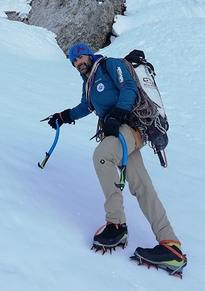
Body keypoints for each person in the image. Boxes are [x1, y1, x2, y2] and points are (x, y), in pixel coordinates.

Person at [48, 42, 186, 275]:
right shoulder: (89, 83)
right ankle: (171, 245)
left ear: (89, 55)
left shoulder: (109, 65)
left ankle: (116, 224)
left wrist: (118, 113)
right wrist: (64, 116)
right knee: (142, 186)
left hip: (132, 127)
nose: (78, 63)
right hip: (120, 132)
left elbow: (129, 87)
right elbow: (86, 106)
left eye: (81, 57)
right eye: (74, 61)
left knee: (102, 156)